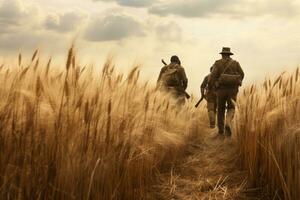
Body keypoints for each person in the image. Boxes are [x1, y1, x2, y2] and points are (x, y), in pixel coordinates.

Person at [208, 47, 244, 137]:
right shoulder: (235, 63)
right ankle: (228, 122)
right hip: (233, 90)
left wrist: (216, 86)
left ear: (222, 54)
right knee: (231, 107)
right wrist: (236, 82)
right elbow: (242, 74)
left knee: (220, 109)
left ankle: (221, 131)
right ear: (229, 54)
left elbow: (212, 76)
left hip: (221, 90)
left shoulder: (217, 63)